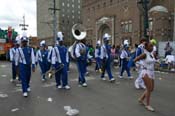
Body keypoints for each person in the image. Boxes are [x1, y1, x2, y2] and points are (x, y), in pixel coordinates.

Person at [134, 42, 157, 112]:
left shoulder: (151, 54)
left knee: (151, 89)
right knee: (149, 88)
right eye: (150, 46)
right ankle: (147, 105)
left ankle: (141, 99)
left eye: (152, 46)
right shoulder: (144, 54)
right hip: (146, 72)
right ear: (146, 47)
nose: (152, 47)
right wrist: (140, 65)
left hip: (152, 72)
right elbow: (135, 60)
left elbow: (152, 61)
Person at [15, 33, 35, 97]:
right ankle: (24, 90)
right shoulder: (19, 50)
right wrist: (17, 67)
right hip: (22, 65)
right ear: (21, 42)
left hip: (28, 65)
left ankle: (27, 85)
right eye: (23, 42)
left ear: (27, 42)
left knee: (28, 77)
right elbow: (16, 59)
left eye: (25, 42)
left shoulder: (30, 49)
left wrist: (33, 65)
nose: (24, 43)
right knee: (23, 78)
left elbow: (32, 57)